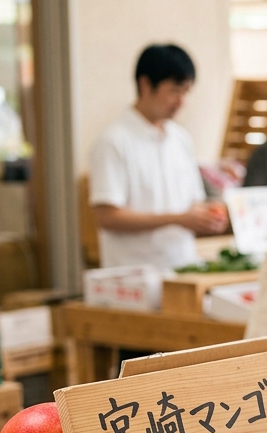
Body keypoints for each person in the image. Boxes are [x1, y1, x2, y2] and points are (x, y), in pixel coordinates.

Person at [89, 44, 227, 270]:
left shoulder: (180, 139)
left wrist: (206, 217)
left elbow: (193, 202)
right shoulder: (113, 141)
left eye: (186, 92)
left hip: (182, 268)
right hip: (134, 273)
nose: (181, 101)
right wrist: (177, 219)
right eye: (174, 91)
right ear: (145, 85)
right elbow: (108, 217)